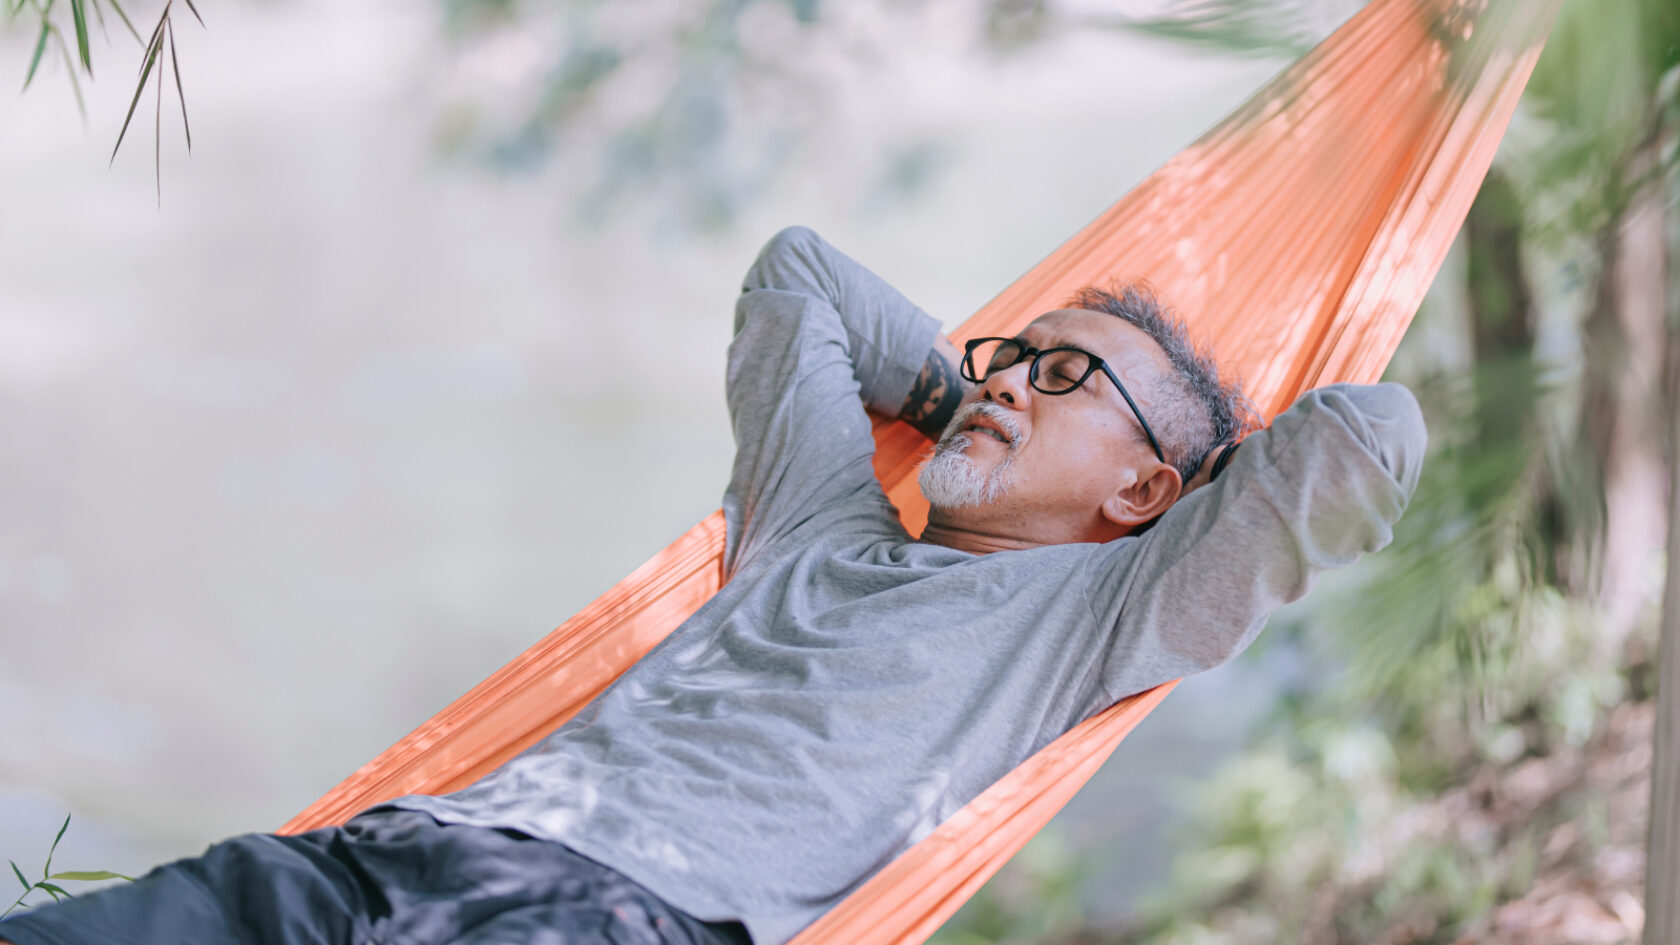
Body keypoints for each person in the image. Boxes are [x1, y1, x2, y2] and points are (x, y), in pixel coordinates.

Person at [0, 226, 1425, 945]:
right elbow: (800, 273)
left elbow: (1369, 440)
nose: (1004, 382)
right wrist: (975, 403)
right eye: (1006, 355)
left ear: (1144, 492)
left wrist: (1154, 470)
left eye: (1063, 375)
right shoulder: (820, 521)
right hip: (395, 848)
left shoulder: (1105, 616)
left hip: (612, 918)